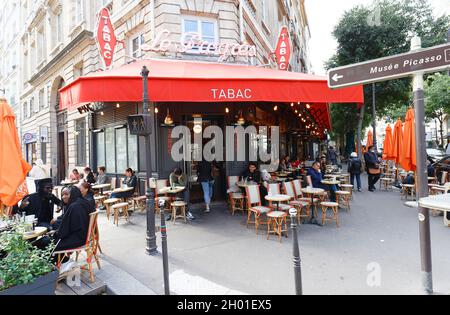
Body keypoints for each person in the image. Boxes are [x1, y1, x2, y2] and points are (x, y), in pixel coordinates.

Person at [53, 186, 94, 252]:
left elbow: (65, 230)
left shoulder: (74, 206)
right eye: (62, 195)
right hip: (85, 235)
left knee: (49, 245)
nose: (63, 197)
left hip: (79, 239)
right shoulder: (82, 201)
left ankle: (64, 260)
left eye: (66, 194)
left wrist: (55, 234)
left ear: (73, 194)